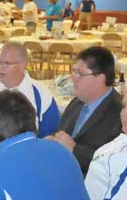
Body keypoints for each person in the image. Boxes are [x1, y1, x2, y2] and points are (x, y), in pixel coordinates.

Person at [48, 46, 122, 175]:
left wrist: (74, 149)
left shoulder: (121, 112)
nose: (73, 78)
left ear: (100, 78)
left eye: (79, 74)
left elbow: (114, 164)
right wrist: (52, 142)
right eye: (74, 72)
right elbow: (62, 137)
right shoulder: (76, 103)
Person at [0, 42, 59, 138]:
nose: (0, 67)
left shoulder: (42, 95)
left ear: (22, 65)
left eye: (7, 63)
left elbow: (50, 135)